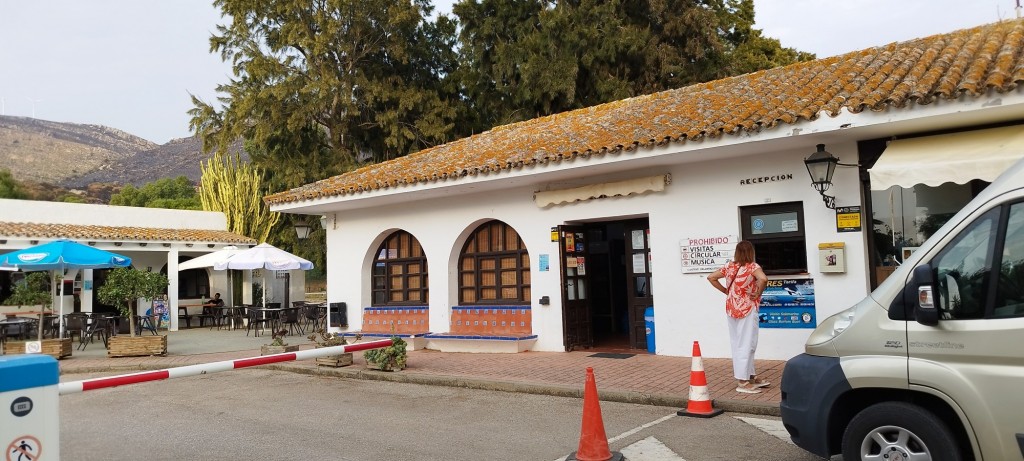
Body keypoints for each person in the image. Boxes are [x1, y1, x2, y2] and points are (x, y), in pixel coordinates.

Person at [707, 240, 769, 394]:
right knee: (747, 343)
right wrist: (758, 292)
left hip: (731, 308)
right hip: (747, 308)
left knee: (740, 342)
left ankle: (751, 376)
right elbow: (764, 279)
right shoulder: (752, 267)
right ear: (751, 252)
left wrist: (726, 291)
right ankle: (743, 381)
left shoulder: (729, 266)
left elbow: (711, 277)